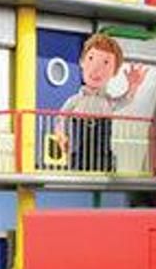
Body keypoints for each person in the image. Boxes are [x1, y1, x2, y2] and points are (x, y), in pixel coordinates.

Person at [56, 32, 147, 172]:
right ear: (82, 62)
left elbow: (126, 99)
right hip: (80, 151)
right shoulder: (75, 100)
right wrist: (61, 134)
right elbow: (61, 116)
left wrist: (133, 86)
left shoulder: (108, 101)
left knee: (102, 160)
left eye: (106, 63)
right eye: (91, 58)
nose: (96, 69)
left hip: (102, 153)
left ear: (114, 71)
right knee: (80, 160)